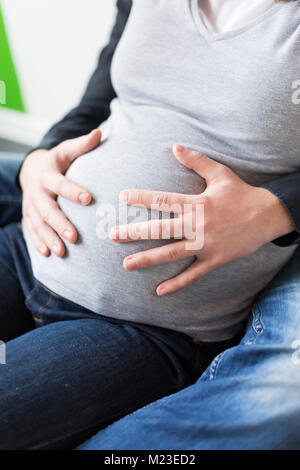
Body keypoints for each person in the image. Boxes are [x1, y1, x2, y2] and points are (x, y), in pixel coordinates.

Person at [1, 0, 300, 450]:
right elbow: (96, 104)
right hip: (28, 248)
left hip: (149, 328)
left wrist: (274, 209)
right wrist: (39, 161)